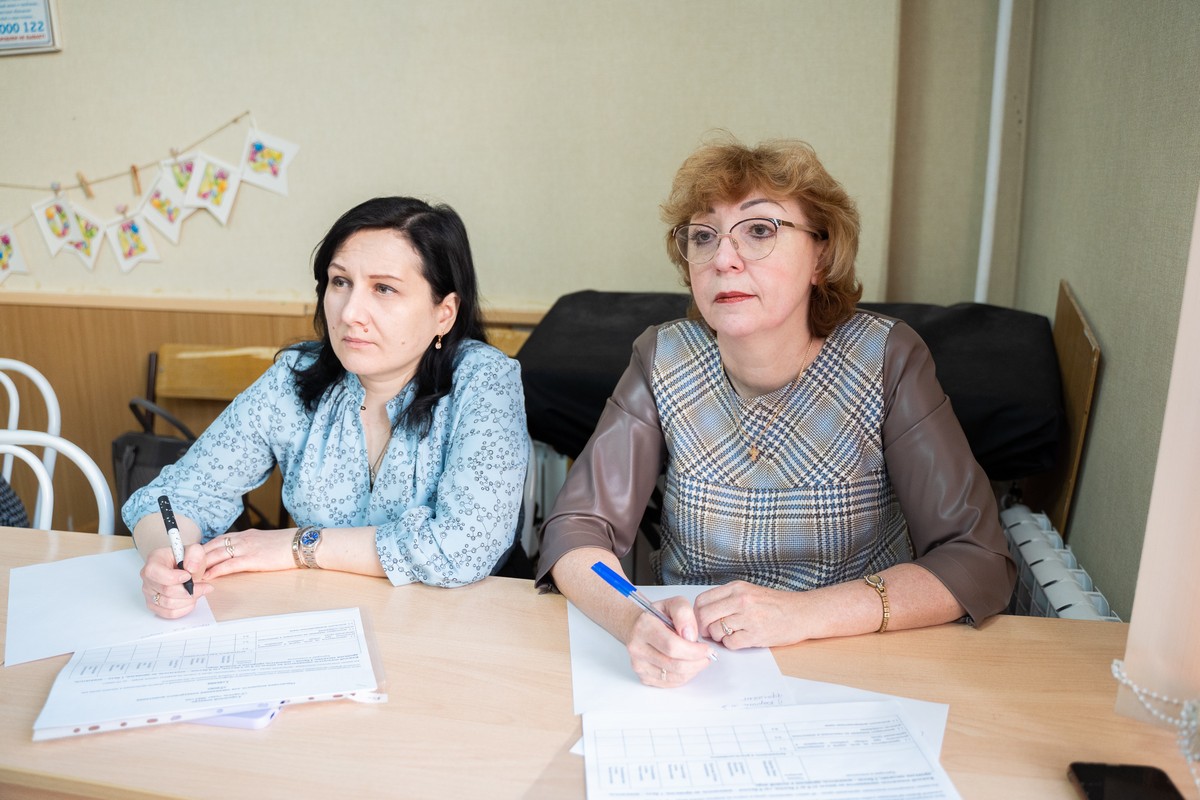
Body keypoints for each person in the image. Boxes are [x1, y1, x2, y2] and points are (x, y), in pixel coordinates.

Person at [536, 136, 1016, 687]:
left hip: (856, 663)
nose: (723, 258)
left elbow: (975, 559)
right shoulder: (663, 357)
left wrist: (803, 614)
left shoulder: (885, 358)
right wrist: (632, 622)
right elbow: (575, 531)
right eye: (703, 236)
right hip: (702, 668)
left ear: (821, 256)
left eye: (760, 230)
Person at [127, 196, 529, 619]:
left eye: (384, 288)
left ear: (444, 313)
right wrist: (165, 558)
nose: (350, 312)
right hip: (325, 615)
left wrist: (298, 545)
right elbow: (175, 496)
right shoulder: (294, 377)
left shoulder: (485, 381)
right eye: (340, 282)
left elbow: (463, 549)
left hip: (457, 620)